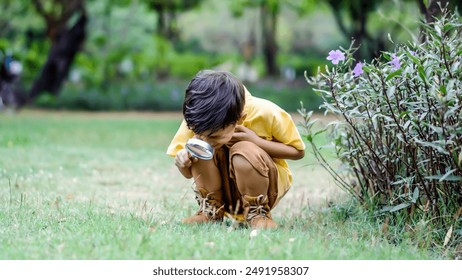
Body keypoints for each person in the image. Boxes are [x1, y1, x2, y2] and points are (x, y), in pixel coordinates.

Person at [166, 70, 305, 229]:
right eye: (200, 134)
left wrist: (256, 141)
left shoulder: (266, 112)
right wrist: (183, 163)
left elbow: (298, 151)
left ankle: (258, 213)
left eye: (214, 136)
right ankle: (211, 211)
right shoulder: (200, 118)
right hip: (223, 191)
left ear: (240, 119)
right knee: (199, 147)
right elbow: (188, 173)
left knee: (243, 149)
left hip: (264, 188)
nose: (206, 140)